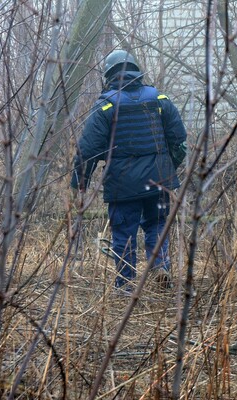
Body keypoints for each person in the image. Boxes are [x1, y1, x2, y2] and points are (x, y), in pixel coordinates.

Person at [71, 49, 187, 293]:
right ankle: (160, 267)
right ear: (136, 70)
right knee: (156, 225)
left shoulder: (105, 106)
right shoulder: (160, 99)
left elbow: (88, 149)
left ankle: (125, 286)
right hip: (159, 180)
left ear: (109, 75)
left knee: (124, 232)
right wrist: (168, 168)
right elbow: (179, 140)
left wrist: (80, 182)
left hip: (123, 184)